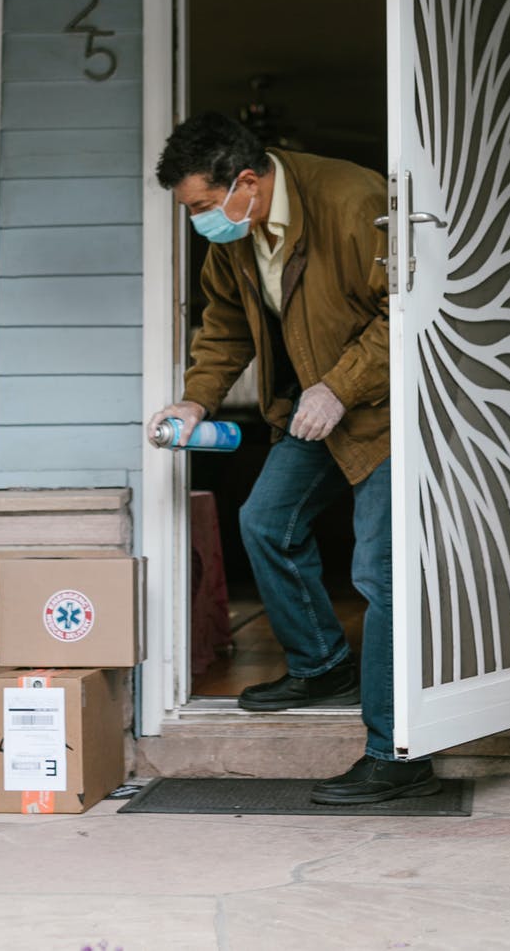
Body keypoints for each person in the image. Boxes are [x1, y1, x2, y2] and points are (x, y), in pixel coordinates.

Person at [147, 112, 438, 804]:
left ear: (244, 182)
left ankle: (397, 753)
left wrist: (341, 386)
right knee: (266, 521)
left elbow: (407, 309)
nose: (196, 221)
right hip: (311, 408)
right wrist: (195, 401)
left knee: (378, 570)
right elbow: (221, 323)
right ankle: (321, 663)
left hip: (382, 411)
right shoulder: (237, 234)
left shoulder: (353, 201)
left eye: (198, 206)